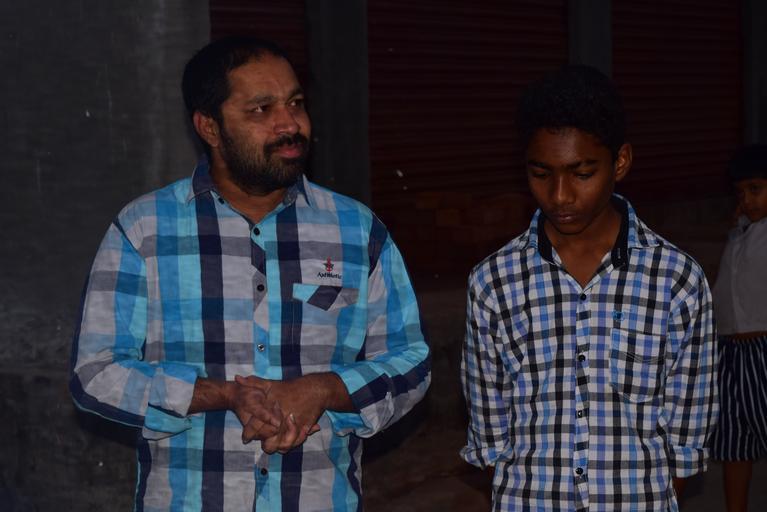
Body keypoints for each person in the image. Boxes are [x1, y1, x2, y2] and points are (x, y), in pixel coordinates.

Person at [69, 36, 431, 511]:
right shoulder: (144, 231)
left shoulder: (356, 230)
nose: (290, 124)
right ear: (209, 127)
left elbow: (411, 362)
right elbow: (95, 373)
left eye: (295, 103)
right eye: (262, 109)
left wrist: (323, 389)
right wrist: (219, 395)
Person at [460, 65, 718, 511]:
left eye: (581, 173)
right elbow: (491, 433)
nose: (559, 195)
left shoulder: (677, 280)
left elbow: (686, 433)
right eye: (541, 173)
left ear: (620, 162)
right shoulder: (493, 282)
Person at [709, 144, 767, 512]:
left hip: (762, 351)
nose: (747, 200)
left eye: (756, 189)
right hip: (728, 353)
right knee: (735, 444)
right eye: (741, 192)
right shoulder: (740, 233)